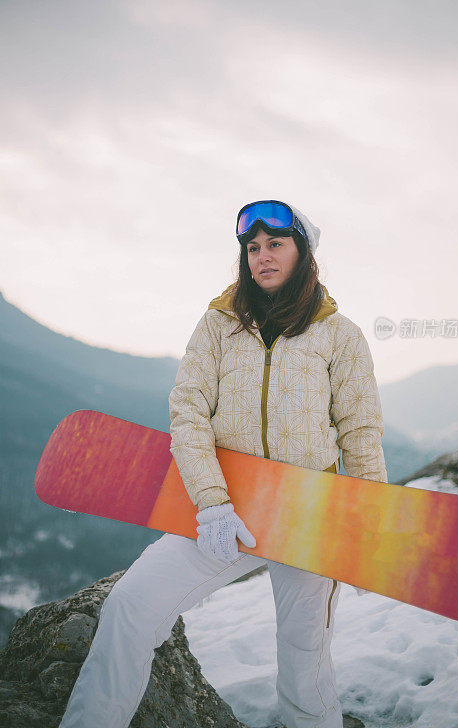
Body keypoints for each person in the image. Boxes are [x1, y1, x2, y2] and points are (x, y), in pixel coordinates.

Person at [59, 200, 387, 728]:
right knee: (130, 608)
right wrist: (212, 502)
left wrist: (369, 528)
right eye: (253, 248)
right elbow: (188, 412)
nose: (262, 256)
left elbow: (360, 432)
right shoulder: (218, 324)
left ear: (303, 251)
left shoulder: (340, 335)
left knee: (305, 665)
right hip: (225, 507)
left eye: (275, 244)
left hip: (309, 513)